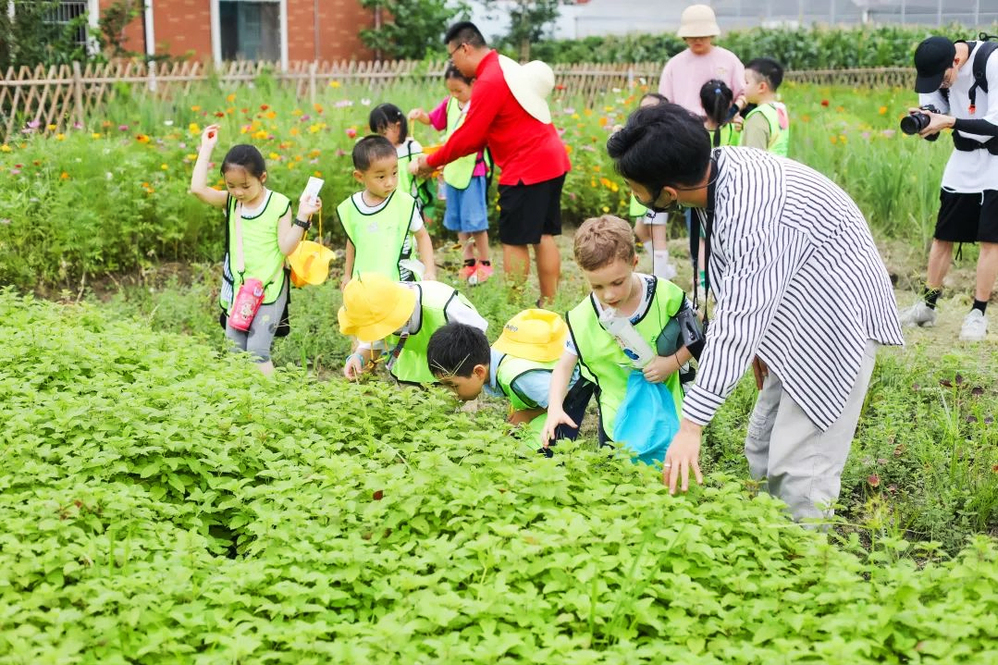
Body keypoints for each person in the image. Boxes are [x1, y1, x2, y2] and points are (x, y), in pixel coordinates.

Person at [607, 103, 905, 522]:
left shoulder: (753, 214)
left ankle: (807, 568)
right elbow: (744, 289)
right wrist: (764, 348)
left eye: (638, 190)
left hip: (835, 323)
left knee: (801, 472)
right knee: (763, 450)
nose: (635, 198)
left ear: (669, 193)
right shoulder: (720, 170)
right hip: (796, 311)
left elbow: (736, 324)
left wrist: (691, 427)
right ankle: (775, 553)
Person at [410, 21, 570, 306]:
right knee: (543, 235)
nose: (454, 63)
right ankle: (550, 303)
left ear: (465, 48)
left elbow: (469, 137)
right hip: (551, 158)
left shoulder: (488, 80)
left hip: (526, 168)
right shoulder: (503, 65)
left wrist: (429, 162)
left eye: (452, 57)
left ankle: (514, 306)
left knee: (515, 240)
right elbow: (486, 132)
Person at [542, 215, 696, 457]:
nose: (609, 295)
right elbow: (564, 366)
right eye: (597, 287)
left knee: (667, 476)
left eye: (617, 282)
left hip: (667, 409)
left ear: (634, 262)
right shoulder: (584, 317)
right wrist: (554, 408)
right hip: (617, 414)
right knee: (621, 474)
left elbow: (698, 333)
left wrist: (671, 363)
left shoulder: (666, 296)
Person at [190, 123, 321, 376]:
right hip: (240, 291)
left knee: (258, 352)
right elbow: (198, 189)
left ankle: (269, 406)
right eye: (231, 185)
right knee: (234, 351)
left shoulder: (278, 204)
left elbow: (286, 246)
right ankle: (243, 404)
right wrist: (206, 148)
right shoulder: (231, 201)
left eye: (245, 186)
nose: (238, 192)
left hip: (269, 289)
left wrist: (304, 216)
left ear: (262, 178)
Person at [898, 35, 998, 342]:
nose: (940, 85)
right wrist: (926, 122)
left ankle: (977, 313)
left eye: (942, 79)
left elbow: (995, 125)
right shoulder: (938, 73)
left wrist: (949, 121)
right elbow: (934, 129)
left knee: (990, 241)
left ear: (955, 62)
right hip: (963, 159)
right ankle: (927, 306)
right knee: (943, 235)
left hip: (995, 160)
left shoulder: (992, 62)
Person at [426, 311, 592, 441]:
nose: (452, 392)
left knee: (550, 445)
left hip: (573, 384)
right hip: (544, 384)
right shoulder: (490, 359)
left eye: (453, 385)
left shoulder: (518, 377)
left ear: (478, 372)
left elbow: (562, 396)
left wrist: (528, 414)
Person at [409, 64, 494, 285]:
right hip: (451, 169)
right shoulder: (450, 104)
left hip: (472, 170)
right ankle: (468, 263)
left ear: (473, 85)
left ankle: (485, 263)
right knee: (457, 220)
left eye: (459, 90)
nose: (455, 95)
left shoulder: (480, 106)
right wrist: (420, 116)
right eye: (451, 91)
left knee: (476, 222)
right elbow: (434, 120)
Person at [338, 273, 486, 385]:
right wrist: (358, 357)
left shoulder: (442, 306)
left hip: (454, 361)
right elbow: (373, 341)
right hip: (411, 361)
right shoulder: (374, 306)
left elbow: (478, 341)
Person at [336, 135, 435, 287]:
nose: (390, 182)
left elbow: (422, 236)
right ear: (359, 176)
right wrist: (347, 274)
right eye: (381, 177)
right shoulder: (352, 207)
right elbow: (352, 240)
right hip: (365, 286)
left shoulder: (404, 204)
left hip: (401, 284)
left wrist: (429, 270)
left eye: (394, 173)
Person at [657, 4, 744, 117]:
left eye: (702, 35)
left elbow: (742, 94)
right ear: (685, 37)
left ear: (711, 35)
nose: (697, 40)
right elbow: (664, 102)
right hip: (685, 125)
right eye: (692, 36)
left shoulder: (729, 60)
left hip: (721, 124)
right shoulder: (674, 65)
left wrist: (730, 114)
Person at [627, 92, 677, 281]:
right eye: (642, 108)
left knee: (658, 235)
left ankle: (660, 279)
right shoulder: (642, 133)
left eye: (651, 108)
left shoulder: (663, 135)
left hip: (658, 193)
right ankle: (665, 270)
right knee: (640, 230)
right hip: (644, 195)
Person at [369, 103, 436, 224]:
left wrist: (428, 211)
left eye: (383, 133)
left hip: (413, 207)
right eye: (378, 135)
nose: (381, 138)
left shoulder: (412, 148)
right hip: (390, 207)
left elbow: (427, 182)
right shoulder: (382, 152)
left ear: (398, 126)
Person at [739, 58, 791, 156]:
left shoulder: (758, 116)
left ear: (762, 87)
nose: (742, 86)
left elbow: (753, 158)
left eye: (746, 82)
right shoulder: (779, 109)